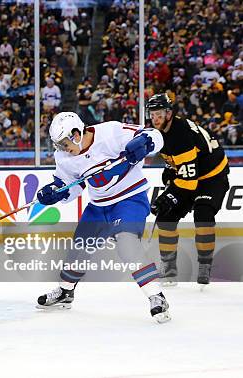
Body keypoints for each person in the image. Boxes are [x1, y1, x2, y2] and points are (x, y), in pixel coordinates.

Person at [35, 112, 171, 323]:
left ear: (76, 133)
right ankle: (65, 292)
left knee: (127, 244)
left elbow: (155, 135)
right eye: (58, 145)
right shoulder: (64, 157)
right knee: (79, 249)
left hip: (129, 199)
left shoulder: (110, 132)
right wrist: (57, 192)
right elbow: (72, 187)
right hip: (98, 207)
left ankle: (157, 296)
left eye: (64, 143)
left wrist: (146, 141)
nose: (62, 149)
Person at [145, 93, 230, 286]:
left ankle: (205, 265)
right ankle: (169, 267)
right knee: (166, 216)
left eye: (158, 114)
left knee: (203, 213)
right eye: (152, 114)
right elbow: (176, 165)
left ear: (169, 113)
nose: (155, 119)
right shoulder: (163, 132)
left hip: (212, 177)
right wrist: (169, 176)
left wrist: (169, 197)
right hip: (191, 174)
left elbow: (189, 182)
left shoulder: (180, 134)